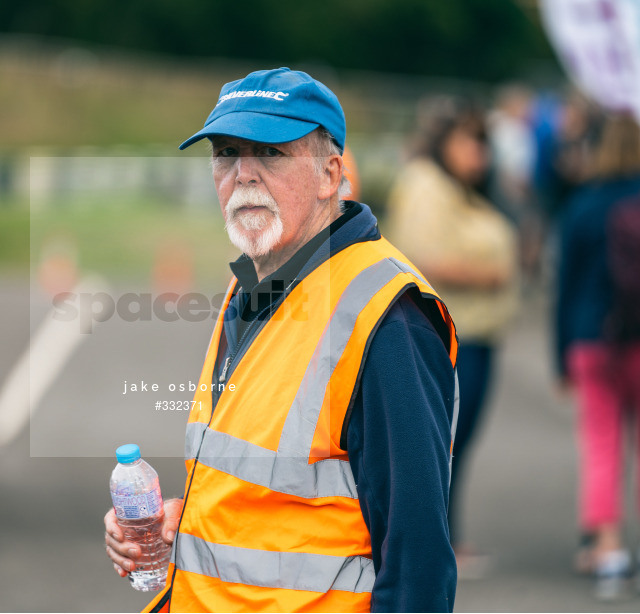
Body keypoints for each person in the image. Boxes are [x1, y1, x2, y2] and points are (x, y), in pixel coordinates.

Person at [104, 67, 459, 612]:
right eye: (226, 153)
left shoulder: (388, 317)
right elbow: (276, 493)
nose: (243, 174)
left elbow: (419, 566)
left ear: (328, 174)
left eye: (270, 154)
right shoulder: (248, 284)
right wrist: (185, 522)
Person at [383, 97, 518, 573]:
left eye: (486, 142)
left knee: (451, 445)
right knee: (439, 445)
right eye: (472, 140)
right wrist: (490, 275)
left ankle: (443, 540)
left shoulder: (463, 189)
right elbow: (420, 258)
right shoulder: (428, 185)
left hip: (476, 334)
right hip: (445, 338)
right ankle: (432, 546)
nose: (481, 153)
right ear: (445, 140)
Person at [555, 113, 640, 601]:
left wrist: (560, 356)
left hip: (593, 339)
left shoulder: (583, 205)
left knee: (602, 444)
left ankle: (608, 551)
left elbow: (565, 289)